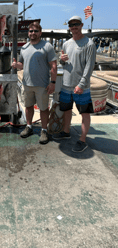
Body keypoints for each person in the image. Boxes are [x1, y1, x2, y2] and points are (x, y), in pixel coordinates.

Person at [53, 16, 96, 152]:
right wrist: (62, 60)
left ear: (81, 25)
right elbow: (63, 64)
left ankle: (82, 139)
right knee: (66, 110)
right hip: (66, 85)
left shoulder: (89, 44)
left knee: (85, 114)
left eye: (76, 24)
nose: (74, 27)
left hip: (81, 87)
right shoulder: (66, 44)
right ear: (69, 27)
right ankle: (66, 132)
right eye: (71, 25)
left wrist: (81, 85)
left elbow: (89, 67)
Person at [12, 22, 57, 144]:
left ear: (40, 33)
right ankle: (29, 126)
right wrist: (17, 65)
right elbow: (22, 64)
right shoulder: (24, 47)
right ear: (28, 33)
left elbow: (53, 65)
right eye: (31, 31)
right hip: (27, 83)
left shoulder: (47, 46)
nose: (33, 33)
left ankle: (44, 130)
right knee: (28, 106)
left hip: (42, 84)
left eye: (35, 31)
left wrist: (53, 82)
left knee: (43, 108)